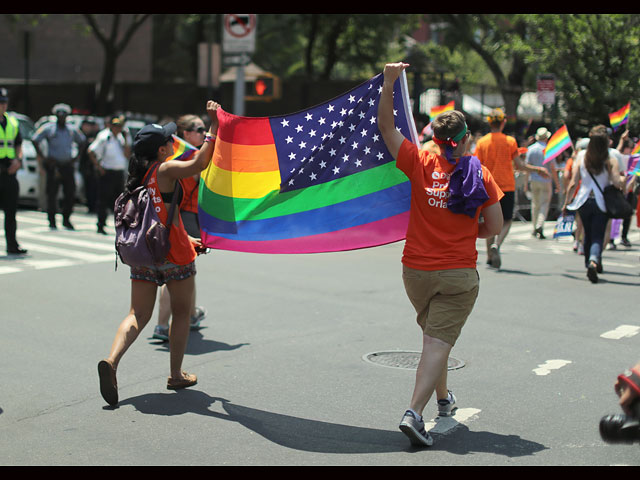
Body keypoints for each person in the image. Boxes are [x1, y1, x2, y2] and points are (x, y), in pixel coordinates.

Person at [378, 63, 504, 447]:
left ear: (435, 136)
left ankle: (444, 400)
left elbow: (386, 127)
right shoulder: (478, 174)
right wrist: (471, 231)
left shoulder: (418, 161)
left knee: (435, 339)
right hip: (457, 275)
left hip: (415, 271)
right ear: (466, 140)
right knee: (437, 343)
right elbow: (495, 227)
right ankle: (414, 413)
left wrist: (387, 84)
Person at [97, 100, 220, 407]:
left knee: (137, 314)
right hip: (174, 256)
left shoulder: (137, 178)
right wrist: (214, 127)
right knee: (181, 313)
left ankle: (111, 361)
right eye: (169, 139)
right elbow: (199, 164)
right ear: (163, 150)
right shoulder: (165, 170)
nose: (172, 140)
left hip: (145, 255)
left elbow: (164, 217)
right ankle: (176, 373)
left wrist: (190, 237)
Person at [152, 113, 209, 341]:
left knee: (182, 271)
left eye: (205, 129)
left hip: (170, 216)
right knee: (178, 274)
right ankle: (163, 324)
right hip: (186, 217)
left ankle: (189, 315)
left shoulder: (171, 157)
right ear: (186, 134)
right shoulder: (193, 159)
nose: (203, 134)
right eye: (199, 129)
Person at [474, 109, 550, 269]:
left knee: (489, 220)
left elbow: (476, 166)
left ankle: (489, 254)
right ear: (503, 122)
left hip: (488, 186)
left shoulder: (482, 142)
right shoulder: (510, 141)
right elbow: (520, 165)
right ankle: (497, 244)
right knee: (507, 220)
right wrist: (538, 170)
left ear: (489, 122)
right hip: (507, 186)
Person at [562, 125, 623, 283]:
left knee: (587, 233)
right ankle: (594, 260)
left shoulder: (582, 156)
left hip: (583, 200)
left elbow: (573, 183)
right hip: (601, 201)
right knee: (598, 234)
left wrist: (566, 202)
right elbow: (617, 182)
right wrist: (627, 179)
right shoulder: (610, 159)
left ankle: (590, 260)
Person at [32, 103, 86, 230]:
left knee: (70, 193)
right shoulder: (49, 128)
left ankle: (66, 219)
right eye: (59, 115)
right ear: (56, 116)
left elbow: (82, 141)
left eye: (64, 115)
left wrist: (77, 157)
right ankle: (52, 220)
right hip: (54, 165)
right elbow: (35, 140)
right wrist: (43, 157)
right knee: (52, 193)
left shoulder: (71, 129)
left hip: (67, 165)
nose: (62, 117)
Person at [88, 115, 131, 234]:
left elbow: (127, 155)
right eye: (116, 126)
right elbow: (91, 151)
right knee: (103, 199)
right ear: (111, 126)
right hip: (107, 172)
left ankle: (120, 225)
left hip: (119, 173)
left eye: (120, 126)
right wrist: (99, 167)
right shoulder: (104, 137)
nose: (118, 128)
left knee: (120, 201)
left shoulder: (122, 137)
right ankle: (100, 224)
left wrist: (126, 139)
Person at [0, 87, 27, 255]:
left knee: (11, 211)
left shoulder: (12, 122)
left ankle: (12, 245)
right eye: (0, 103)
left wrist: (18, 160)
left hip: (10, 171)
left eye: (4, 102)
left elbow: (18, 144)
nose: (2, 106)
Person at [526, 127, 560, 239]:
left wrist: (526, 183)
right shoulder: (549, 149)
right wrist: (557, 184)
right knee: (544, 204)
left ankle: (534, 227)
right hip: (546, 179)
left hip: (534, 179)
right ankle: (539, 225)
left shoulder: (531, 149)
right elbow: (553, 168)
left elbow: (527, 166)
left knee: (535, 204)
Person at [78, 117, 101, 213]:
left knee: (95, 188)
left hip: (94, 167)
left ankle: (94, 206)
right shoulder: (81, 135)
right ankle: (90, 205)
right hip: (85, 166)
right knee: (88, 187)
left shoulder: (96, 136)